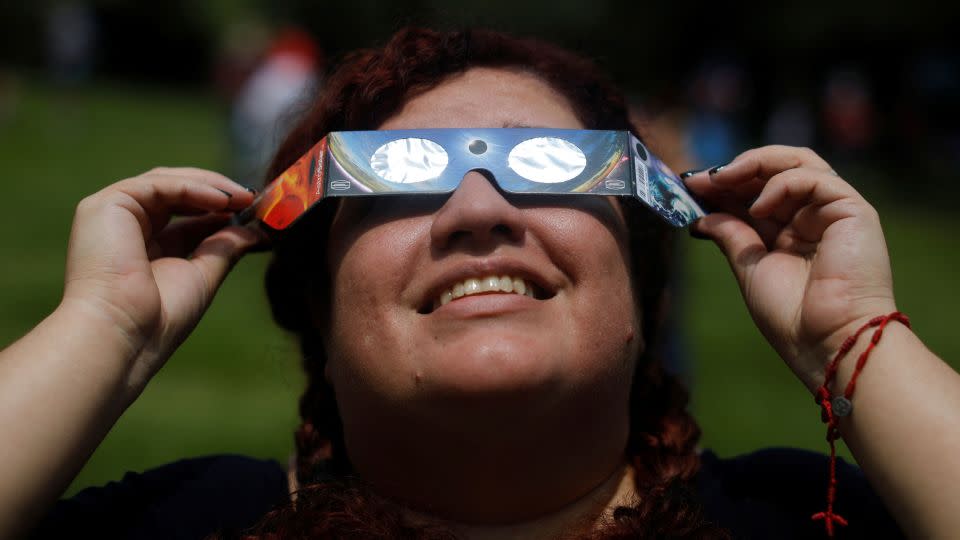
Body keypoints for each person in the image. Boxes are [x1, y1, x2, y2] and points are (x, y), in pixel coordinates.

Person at [4, 27, 959, 539]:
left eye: (547, 165)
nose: (475, 210)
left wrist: (856, 339)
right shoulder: (191, 524)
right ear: (317, 307)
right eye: (403, 177)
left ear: (644, 286)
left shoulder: (805, 521)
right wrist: (105, 327)